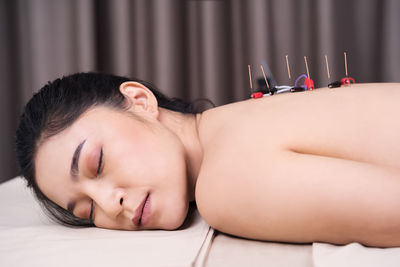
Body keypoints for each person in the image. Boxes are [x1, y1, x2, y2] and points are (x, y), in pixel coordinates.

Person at [15, 72, 400, 247]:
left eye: (96, 163)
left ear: (140, 100)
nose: (108, 205)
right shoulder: (235, 123)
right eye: (86, 212)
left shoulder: (224, 185)